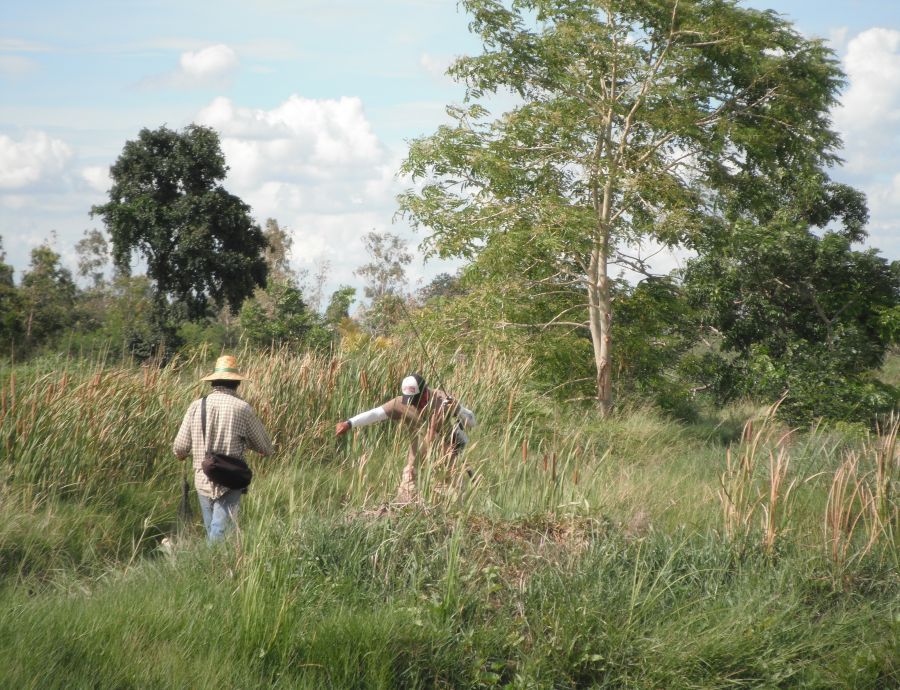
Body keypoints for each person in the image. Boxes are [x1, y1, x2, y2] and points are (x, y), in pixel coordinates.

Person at [173, 355, 272, 542]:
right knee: (220, 533)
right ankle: (215, 568)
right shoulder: (242, 408)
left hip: (203, 476)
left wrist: (181, 455)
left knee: (212, 528)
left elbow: (180, 447)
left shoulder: (196, 406)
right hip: (230, 478)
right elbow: (265, 446)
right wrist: (252, 446)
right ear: (236, 384)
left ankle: (210, 566)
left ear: (213, 382)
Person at [335, 373, 476, 504]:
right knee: (406, 497)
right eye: (410, 400)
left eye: (416, 399)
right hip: (416, 458)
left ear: (425, 391)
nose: (412, 404)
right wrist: (349, 423)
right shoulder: (401, 403)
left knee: (451, 498)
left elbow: (472, 422)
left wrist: (459, 409)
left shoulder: (442, 399)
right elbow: (376, 413)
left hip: (445, 458)